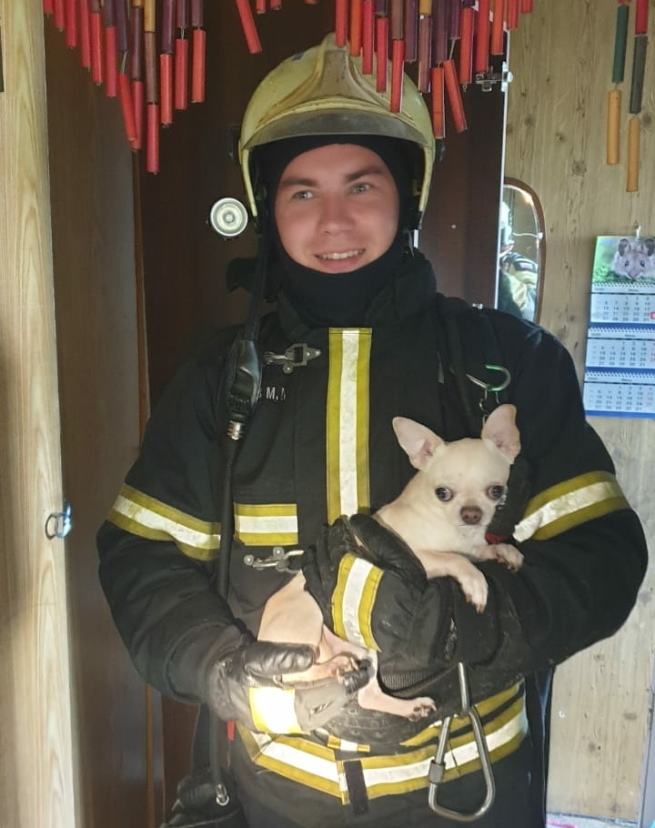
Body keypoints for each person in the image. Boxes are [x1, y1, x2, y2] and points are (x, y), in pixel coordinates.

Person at [97, 34, 647, 828]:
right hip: (276, 797)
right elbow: (142, 560)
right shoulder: (218, 380)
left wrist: (472, 628)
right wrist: (228, 671)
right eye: (301, 192)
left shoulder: (509, 361)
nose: (333, 221)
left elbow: (601, 557)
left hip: (471, 792)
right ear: (267, 206)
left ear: (407, 195)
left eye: (361, 185)